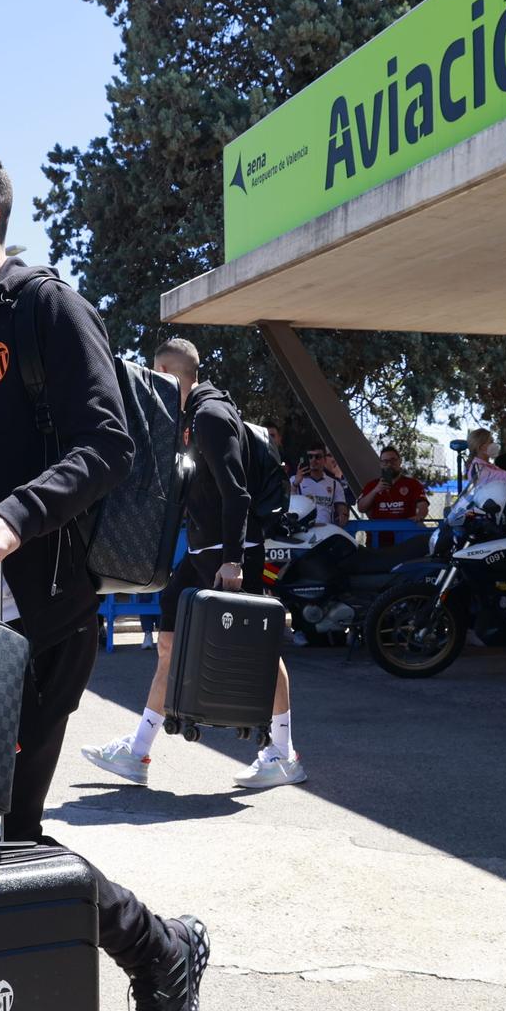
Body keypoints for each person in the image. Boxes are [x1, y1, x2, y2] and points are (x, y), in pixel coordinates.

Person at [0, 138, 208, 1011]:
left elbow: (105, 444)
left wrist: (12, 518)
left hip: (38, 622)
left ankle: (159, 951)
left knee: (6, 835)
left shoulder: (46, 309)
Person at [83, 338, 307, 791]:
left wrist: (232, 559)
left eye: (156, 373)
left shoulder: (211, 415)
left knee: (262, 653)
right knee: (167, 643)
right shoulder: (189, 418)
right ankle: (138, 751)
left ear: (169, 372)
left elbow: (237, 492)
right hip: (202, 551)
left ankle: (283, 754)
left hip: (227, 555)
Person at [356, 444, 429, 542]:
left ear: (400, 461)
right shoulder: (372, 485)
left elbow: (423, 505)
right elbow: (361, 508)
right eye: (385, 461)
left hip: (405, 538)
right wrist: (375, 490)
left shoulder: (413, 484)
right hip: (378, 539)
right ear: (380, 464)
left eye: (393, 460)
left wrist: (420, 515)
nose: (389, 464)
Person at [292, 446, 350, 525]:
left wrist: (343, 515)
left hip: (326, 531)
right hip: (303, 531)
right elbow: (289, 503)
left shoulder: (335, 484)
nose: (313, 460)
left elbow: (341, 506)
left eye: (317, 457)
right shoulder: (294, 480)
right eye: (310, 457)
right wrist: (295, 484)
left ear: (325, 460)